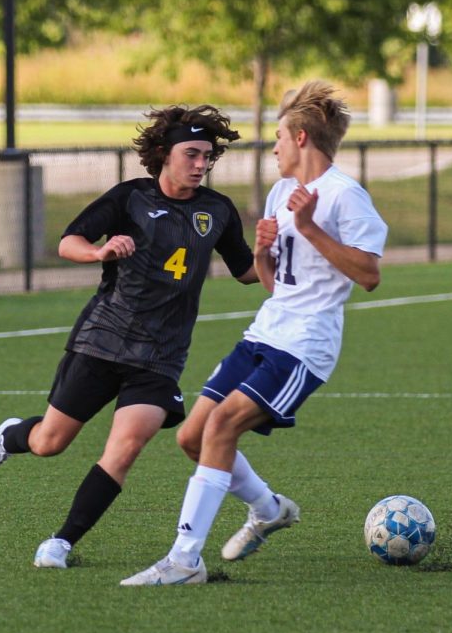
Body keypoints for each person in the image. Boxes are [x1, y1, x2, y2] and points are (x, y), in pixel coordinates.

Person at [0, 104, 259, 570]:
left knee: (124, 449)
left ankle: (61, 541)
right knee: (50, 442)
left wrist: (289, 246)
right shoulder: (129, 199)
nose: (201, 164)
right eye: (192, 154)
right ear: (163, 153)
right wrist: (100, 251)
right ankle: (11, 435)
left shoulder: (217, 211)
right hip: (103, 341)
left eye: (208, 156)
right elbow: (68, 242)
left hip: (160, 359)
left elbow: (247, 272)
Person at [121, 80, 388, 586]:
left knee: (221, 428)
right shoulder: (281, 192)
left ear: (302, 139)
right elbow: (272, 284)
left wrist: (309, 229)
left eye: (279, 138)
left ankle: (184, 560)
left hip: (306, 345)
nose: (274, 148)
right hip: (266, 331)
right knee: (191, 437)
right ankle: (269, 509)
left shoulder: (344, 197)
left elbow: (370, 275)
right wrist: (265, 253)